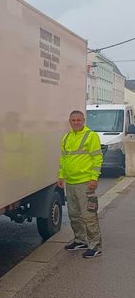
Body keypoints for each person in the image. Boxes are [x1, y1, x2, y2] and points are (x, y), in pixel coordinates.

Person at [57, 110, 103, 258]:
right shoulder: (66, 137)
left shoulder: (91, 136)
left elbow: (97, 158)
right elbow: (64, 159)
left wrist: (94, 178)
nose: (76, 122)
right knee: (74, 214)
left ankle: (95, 246)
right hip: (70, 182)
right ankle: (80, 240)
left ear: (83, 121)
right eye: (73, 120)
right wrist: (61, 176)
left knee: (88, 215)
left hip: (85, 183)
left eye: (79, 120)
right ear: (69, 121)